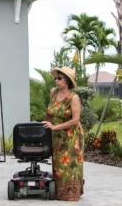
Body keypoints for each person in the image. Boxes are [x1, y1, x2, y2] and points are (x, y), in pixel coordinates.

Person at [42, 66, 84, 201]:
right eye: (55, 78)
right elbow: (49, 112)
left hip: (71, 136)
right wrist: (43, 126)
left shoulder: (73, 97)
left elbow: (75, 120)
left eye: (59, 78)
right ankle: (59, 192)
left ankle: (71, 193)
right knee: (58, 163)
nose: (56, 81)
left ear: (67, 81)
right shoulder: (53, 93)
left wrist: (55, 127)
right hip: (57, 136)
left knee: (70, 164)